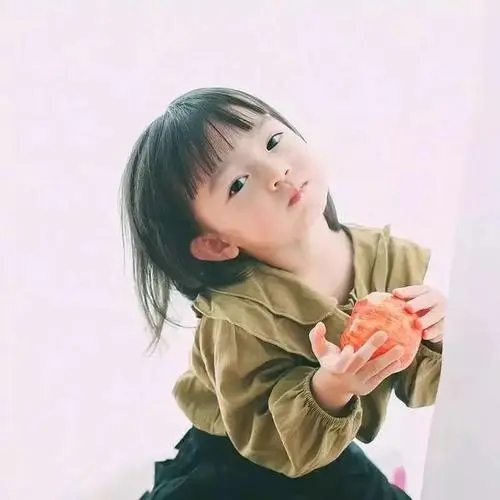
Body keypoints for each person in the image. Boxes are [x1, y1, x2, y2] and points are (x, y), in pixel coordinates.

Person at [121, 87, 445, 499]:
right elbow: (262, 435)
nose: (276, 171)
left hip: (325, 454)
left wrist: (438, 333)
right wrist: (330, 389)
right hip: (237, 463)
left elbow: (425, 387)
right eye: (238, 184)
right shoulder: (237, 320)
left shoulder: (390, 263)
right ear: (217, 243)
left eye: (273, 141)